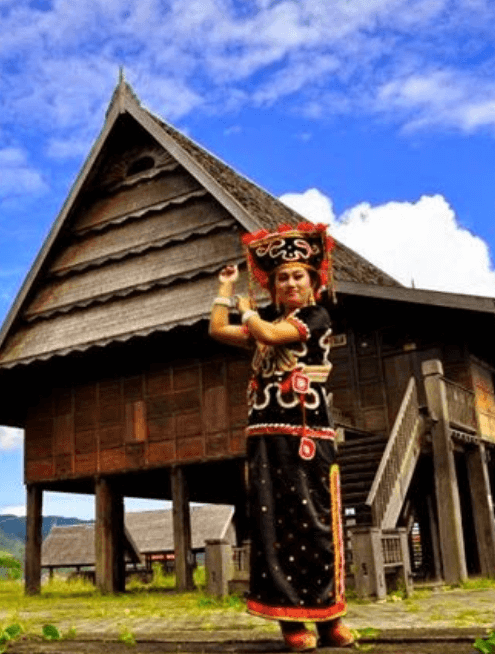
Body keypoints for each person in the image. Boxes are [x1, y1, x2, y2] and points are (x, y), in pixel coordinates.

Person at [208, 223, 354, 652]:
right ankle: (291, 623)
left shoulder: (315, 316)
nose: (290, 282)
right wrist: (225, 290)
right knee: (275, 527)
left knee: (318, 521)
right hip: (265, 437)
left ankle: (331, 618)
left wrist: (248, 312)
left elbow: (270, 335)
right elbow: (218, 330)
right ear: (273, 285)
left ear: (313, 282)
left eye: (298, 275)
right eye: (282, 277)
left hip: (309, 433)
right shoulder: (264, 318)